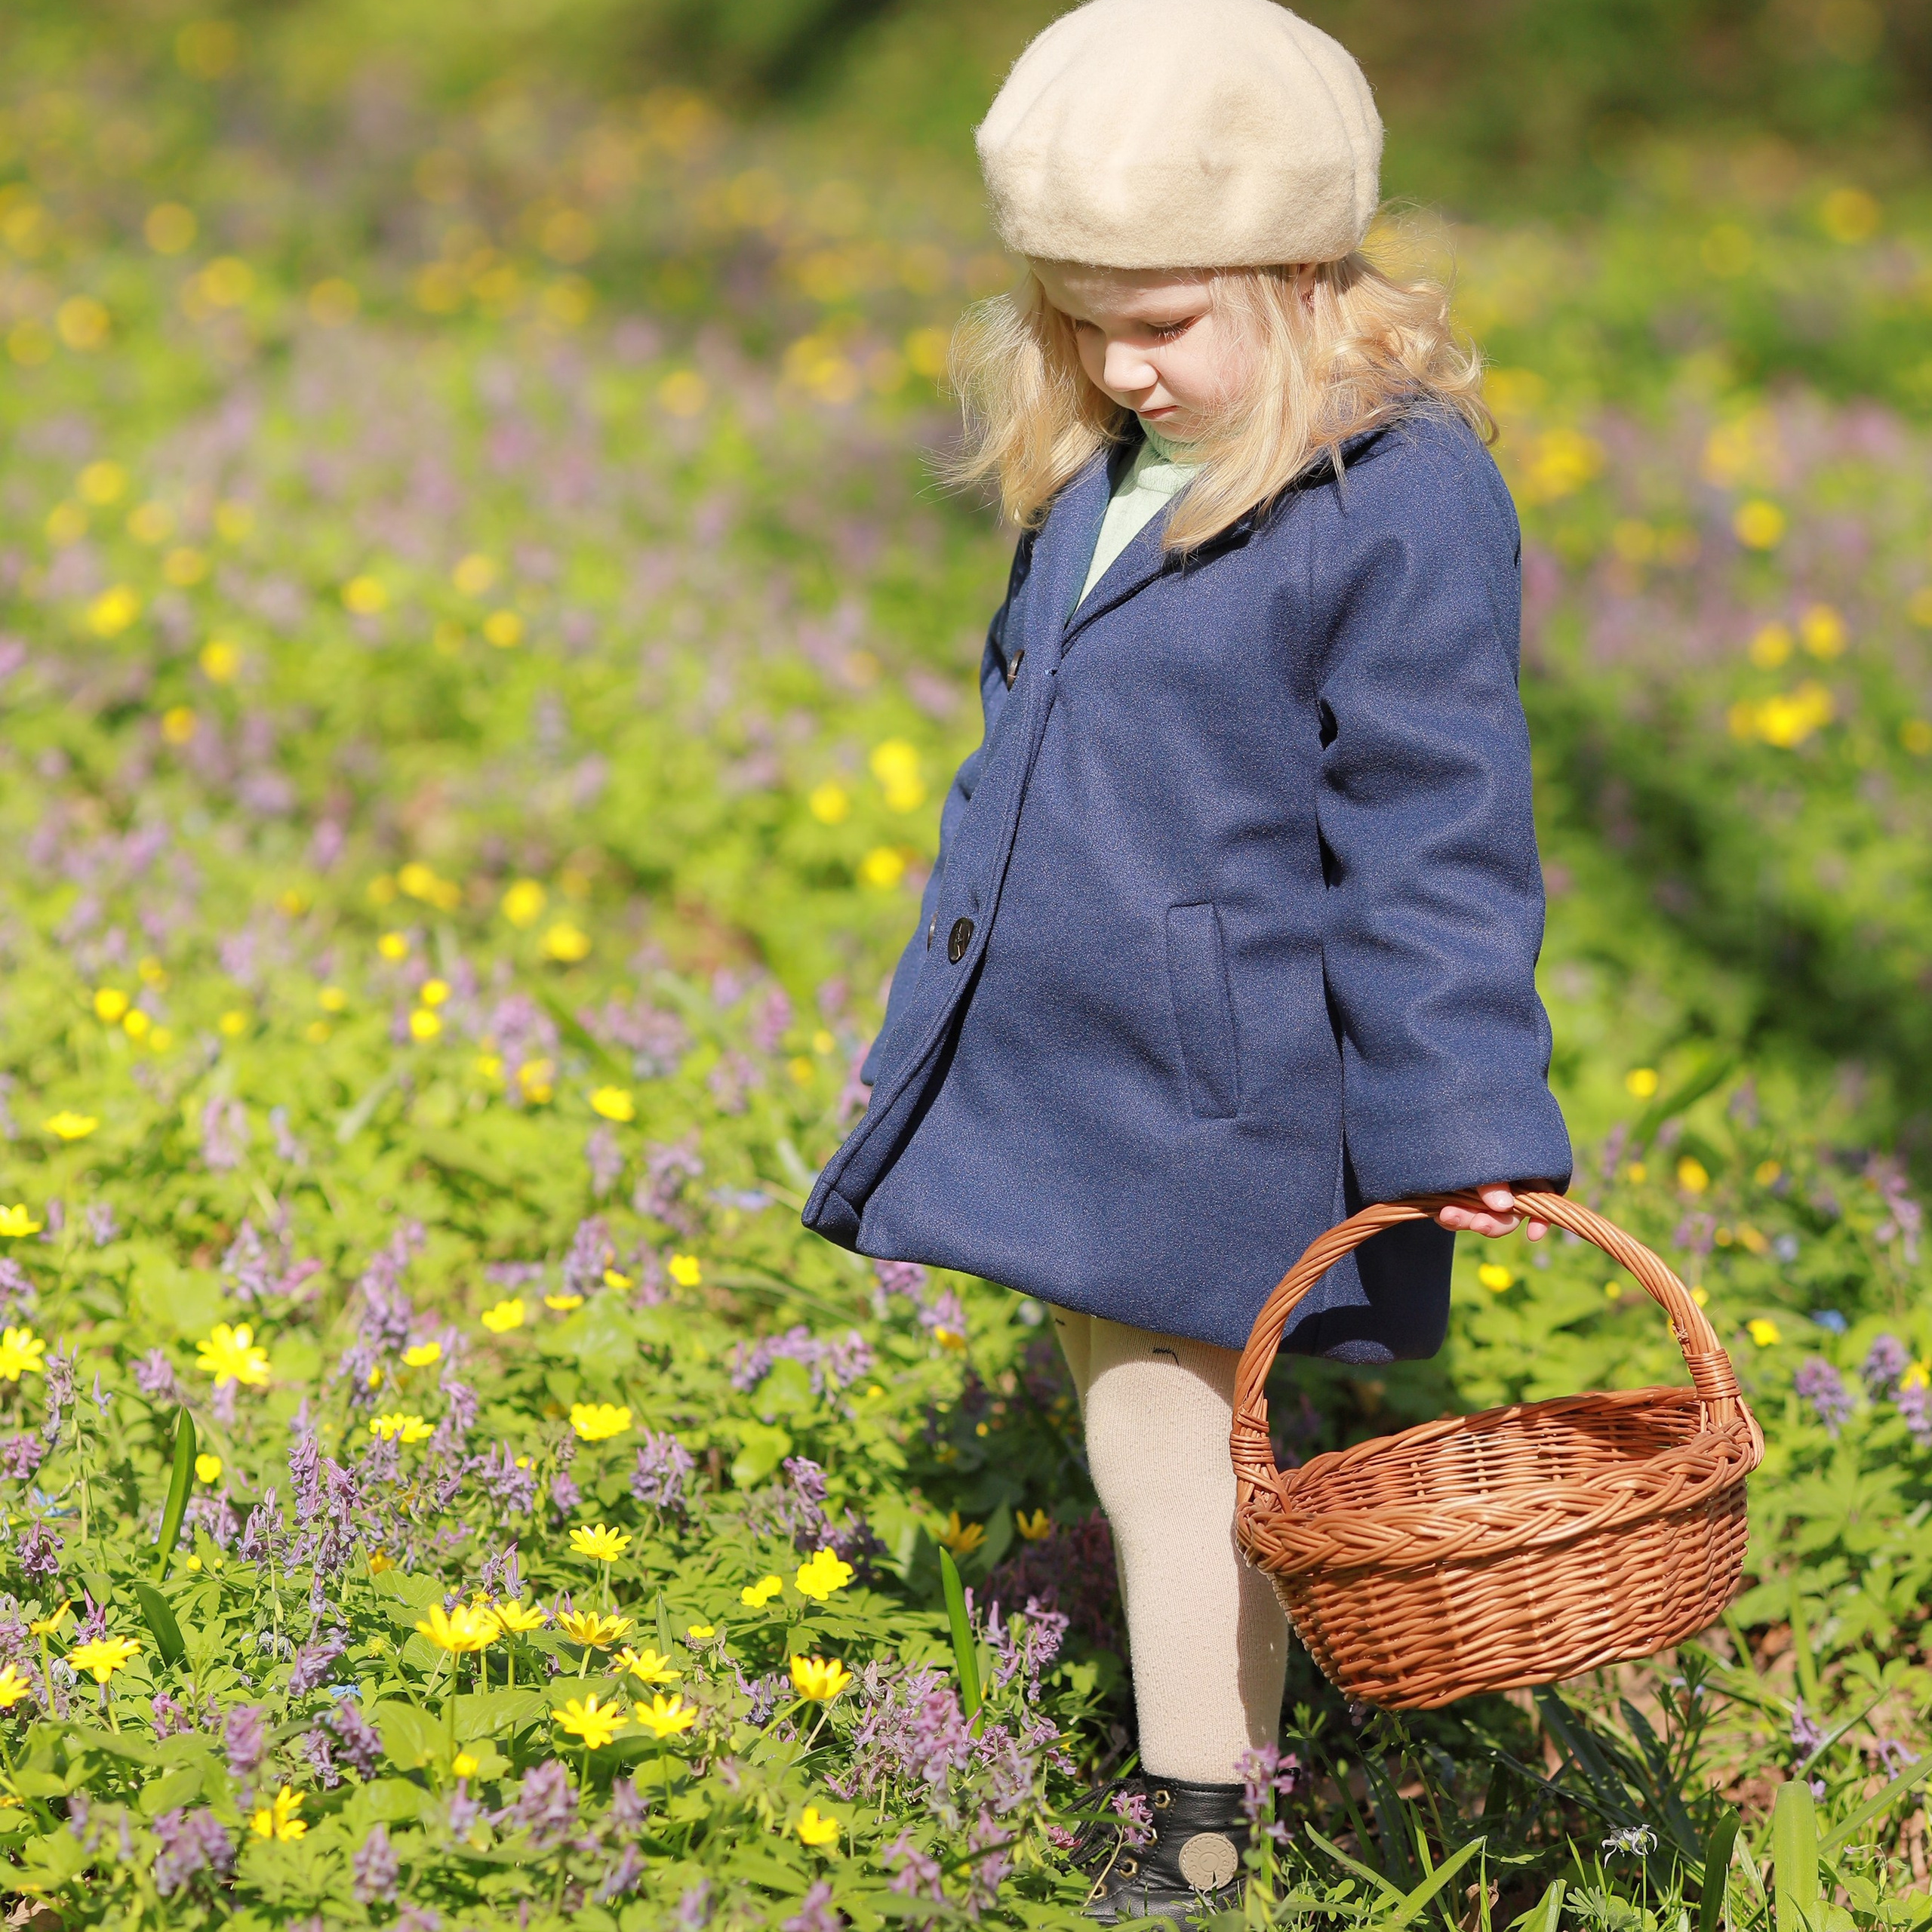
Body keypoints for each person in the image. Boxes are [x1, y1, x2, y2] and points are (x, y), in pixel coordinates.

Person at [803, 0, 1572, 1915]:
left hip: (1222, 1089)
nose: (1120, 365)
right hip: (1069, 1056)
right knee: (1142, 1425)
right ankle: (1216, 1766)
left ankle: (1199, 1812)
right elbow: (1010, 782)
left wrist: (1459, 1110)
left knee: (1173, 1447)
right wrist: (921, 1040)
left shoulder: (1391, 494)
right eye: (1080, 321)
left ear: (1307, 273)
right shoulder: (1094, 479)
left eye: (1162, 321)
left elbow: (1434, 825)